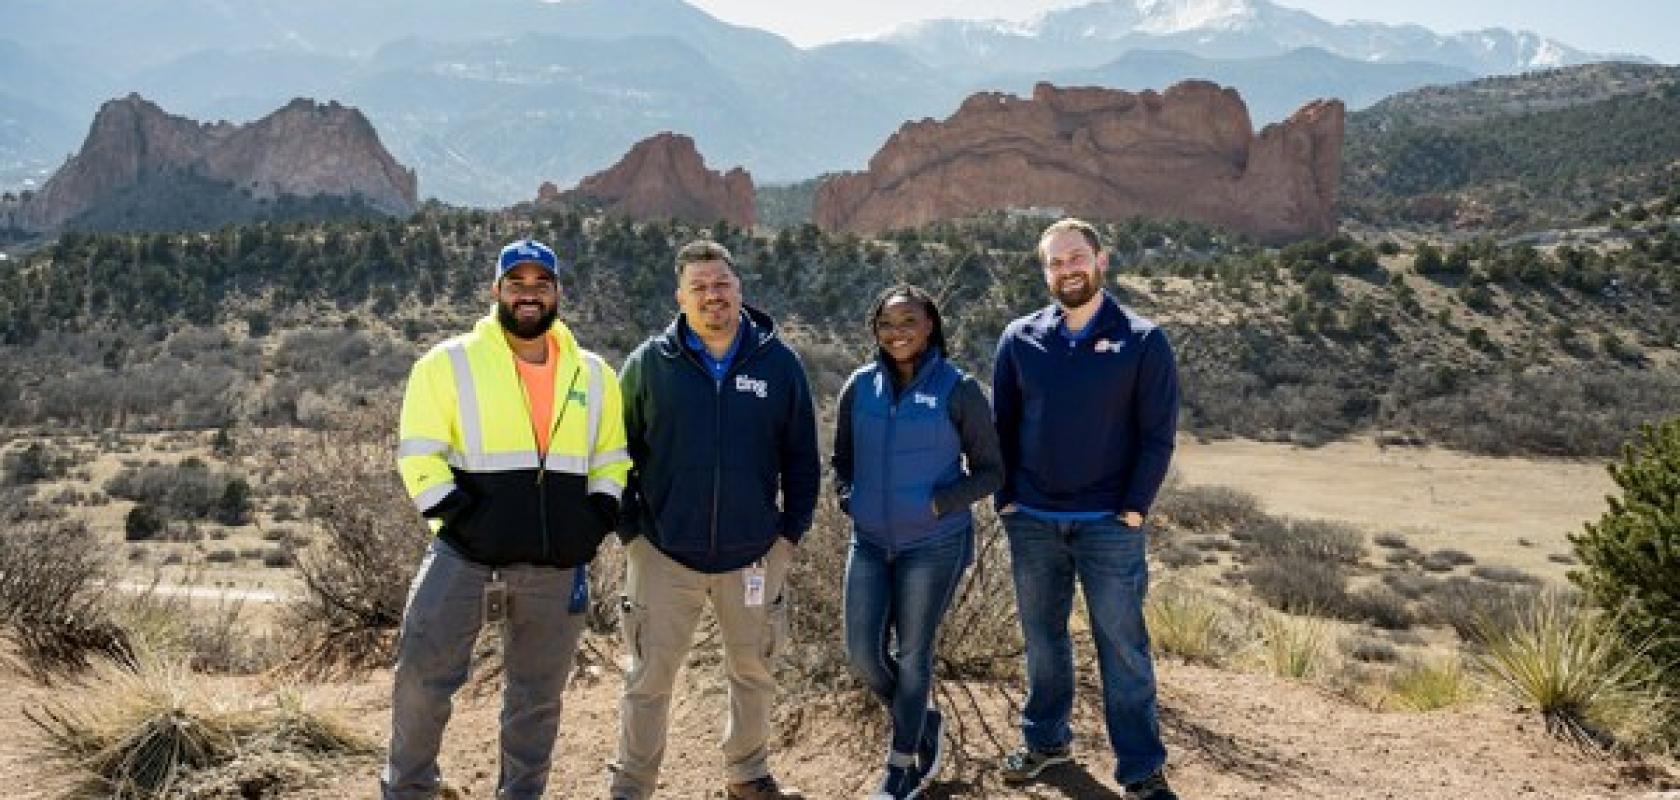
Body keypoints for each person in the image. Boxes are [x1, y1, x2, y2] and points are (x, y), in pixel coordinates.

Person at [385, 238, 630, 799]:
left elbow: (613, 456)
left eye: (540, 284)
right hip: (465, 557)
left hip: (555, 564)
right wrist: (456, 517)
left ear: (557, 293)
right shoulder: (447, 363)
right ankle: (409, 789)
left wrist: (594, 518)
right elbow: (418, 452)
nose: (528, 295)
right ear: (496, 291)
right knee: (422, 678)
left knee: (536, 699)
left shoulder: (593, 374)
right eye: (516, 284)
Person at [610, 240, 820, 800]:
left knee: (752, 671)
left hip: (753, 555)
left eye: (721, 284)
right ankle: (632, 783)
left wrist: (787, 539)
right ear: (680, 298)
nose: (712, 296)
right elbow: (612, 452)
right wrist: (632, 535)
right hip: (662, 553)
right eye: (698, 287)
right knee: (649, 676)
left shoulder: (778, 362)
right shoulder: (651, 363)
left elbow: (802, 455)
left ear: (740, 290)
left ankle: (746, 775)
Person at [991, 218, 1181, 799]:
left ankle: (1141, 771)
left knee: (1122, 647)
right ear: (1044, 271)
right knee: (1043, 640)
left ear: (1101, 261)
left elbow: (1157, 435)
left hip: (1109, 525)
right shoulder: (1019, 338)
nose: (1067, 269)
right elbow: (1002, 425)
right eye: (1055, 261)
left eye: (1077, 258)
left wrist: (1133, 509)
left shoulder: (1144, 340)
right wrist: (1007, 501)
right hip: (1034, 522)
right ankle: (1047, 741)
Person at [832, 284, 1003, 800]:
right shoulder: (859, 387)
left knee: (913, 655)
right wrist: (850, 499)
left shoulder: (959, 389)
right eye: (886, 324)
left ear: (930, 325)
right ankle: (922, 722)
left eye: (909, 322)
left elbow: (992, 471)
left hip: (933, 544)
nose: (897, 333)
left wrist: (937, 504)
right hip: (870, 541)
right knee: (863, 653)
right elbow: (842, 460)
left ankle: (902, 765)